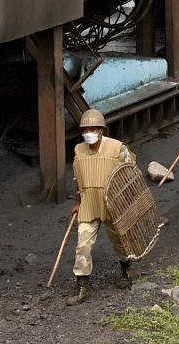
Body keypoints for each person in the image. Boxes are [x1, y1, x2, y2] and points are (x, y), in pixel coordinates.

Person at [67, 108, 136, 305]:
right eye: (85, 129)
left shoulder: (117, 148)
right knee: (83, 245)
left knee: (119, 241)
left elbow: (131, 173)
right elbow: (77, 178)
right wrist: (78, 202)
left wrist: (127, 201)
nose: (88, 132)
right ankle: (82, 286)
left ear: (101, 129)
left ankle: (125, 269)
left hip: (112, 203)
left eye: (93, 128)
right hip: (89, 202)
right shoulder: (78, 150)